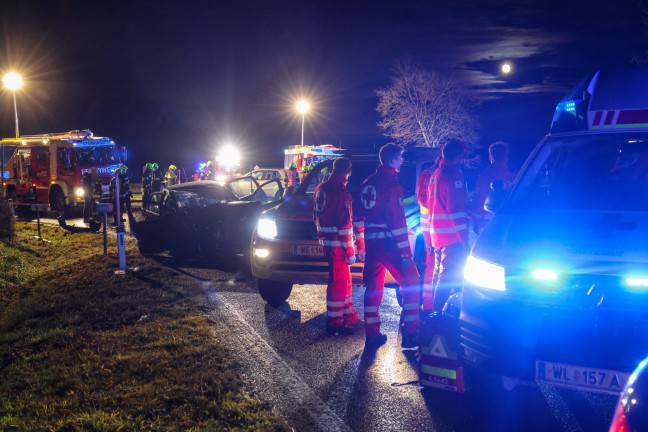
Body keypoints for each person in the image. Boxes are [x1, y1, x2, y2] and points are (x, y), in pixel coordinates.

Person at [356, 144, 421, 349]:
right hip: (390, 244)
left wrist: (360, 244)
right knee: (412, 282)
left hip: (372, 244)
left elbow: (358, 216)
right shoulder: (392, 186)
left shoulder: (368, 183)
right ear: (393, 160)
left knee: (373, 288)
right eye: (400, 158)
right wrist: (404, 250)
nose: (401, 161)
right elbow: (397, 221)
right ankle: (410, 333)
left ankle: (372, 334)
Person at [313, 157, 363, 336]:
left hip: (327, 242)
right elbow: (344, 225)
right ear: (348, 171)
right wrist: (350, 251)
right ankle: (334, 322)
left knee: (345, 281)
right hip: (337, 245)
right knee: (339, 283)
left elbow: (315, 215)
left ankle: (348, 315)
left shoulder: (321, 188)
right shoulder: (341, 193)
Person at [427, 140, 469, 313]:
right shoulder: (453, 176)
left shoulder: (436, 174)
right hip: (452, 237)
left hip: (438, 235)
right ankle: (438, 316)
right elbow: (456, 212)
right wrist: (465, 241)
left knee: (439, 275)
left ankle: (434, 312)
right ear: (459, 157)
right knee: (448, 277)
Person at [470, 141, 516, 234]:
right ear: (506, 157)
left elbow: (479, 199)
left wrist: (476, 222)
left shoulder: (485, 176)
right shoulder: (514, 177)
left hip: (487, 226)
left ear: (490, 157)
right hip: (509, 224)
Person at [416, 156, 441, 314]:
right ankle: (429, 304)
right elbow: (423, 200)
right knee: (432, 265)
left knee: (441, 267)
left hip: (440, 228)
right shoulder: (429, 175)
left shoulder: (444, 173)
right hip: (431, 229)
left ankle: (436, 302)